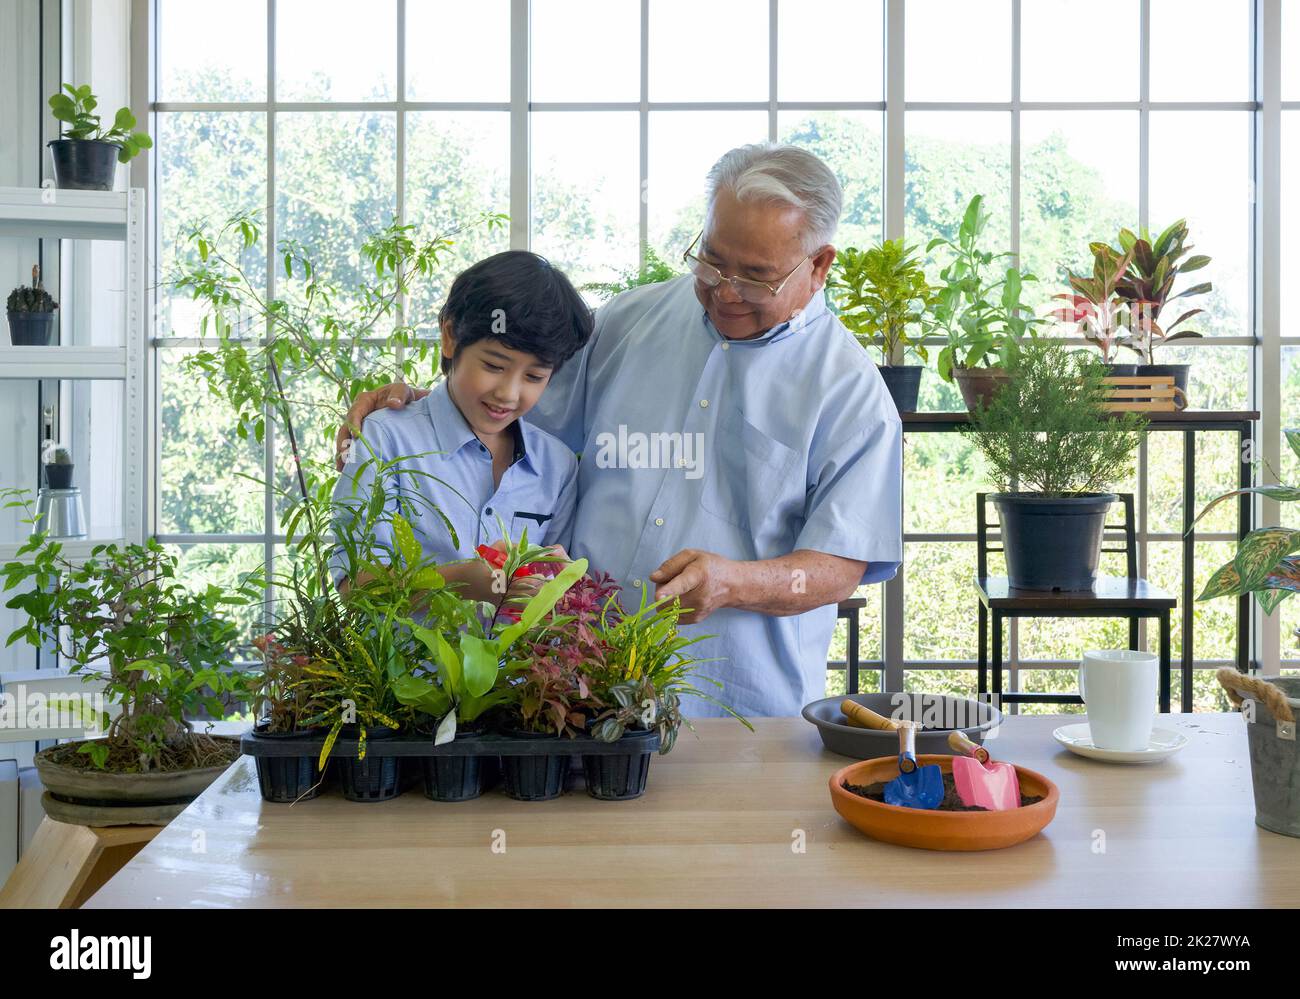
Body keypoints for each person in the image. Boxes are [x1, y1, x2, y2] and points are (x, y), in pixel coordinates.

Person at [337, 143, 902, 717]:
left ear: (820, 265)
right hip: (578, 691)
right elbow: (512, 405)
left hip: (738, 707)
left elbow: (838, 570)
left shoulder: (850, 394)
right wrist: (420, 401)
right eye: (711, 260)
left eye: (756, 278)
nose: (725, 290)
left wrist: (736, 582)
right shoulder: (627, 323)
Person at [332, 250, 592, 606]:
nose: (508, 393)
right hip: (402, 663)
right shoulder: (386, 438)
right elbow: (353, 586)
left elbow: (554, 592)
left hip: (516, 664)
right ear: (450, 337)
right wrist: (460, 581)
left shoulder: (557, 465)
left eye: (534, 376)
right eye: (494, 365)